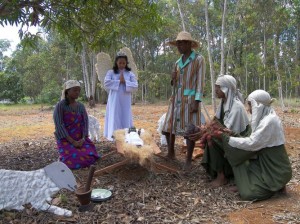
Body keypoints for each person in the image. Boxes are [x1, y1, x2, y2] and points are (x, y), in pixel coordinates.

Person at [220, 90, 292, 201]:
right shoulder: (265, 118)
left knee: (248, 194)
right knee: (243, 160)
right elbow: (254, 139)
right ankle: (272, 186)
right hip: (264, 164)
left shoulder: (269, 121)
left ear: (258, 105)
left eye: (250, 105)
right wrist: (233, 134)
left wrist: (227, 139)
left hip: (276, 171)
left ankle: (275, 186)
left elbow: (252, 143)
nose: (248, 110)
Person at [188, 75, 250, 186]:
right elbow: (215, 121)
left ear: (225, 89)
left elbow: (228, 131)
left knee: (210, 137)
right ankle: (217, 170)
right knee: (208, 134)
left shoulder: (237, 107)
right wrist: (202, 130)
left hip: (238, 141)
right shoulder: (224, 103)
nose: (215, 90)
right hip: (227, 136)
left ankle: (222, 176)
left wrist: (205, 132)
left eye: (218, 88)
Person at [161, 31, 206, 170]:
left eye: (182, 43)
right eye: (178, 43)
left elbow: (200, 82)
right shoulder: (177, 62)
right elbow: (174, 83)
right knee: (167, 128)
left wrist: (197, 101)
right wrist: (173, 78)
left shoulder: (198, 59)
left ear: (189, 44)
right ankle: (171, 153)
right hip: (176, 99)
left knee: (190, 130)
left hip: (190, 100)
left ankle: (188, 160)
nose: (179, 45)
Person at [53, 80, 100, 169]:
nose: (77, 92)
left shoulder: (81, 106)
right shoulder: (60, 106)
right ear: (67, 91)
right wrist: (73, 142)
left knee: (91, 155)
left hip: (80, 139)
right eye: (75, 90)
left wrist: (82, 139)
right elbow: (59, 126)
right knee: (73, 159)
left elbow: (85, 123)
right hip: (65, 139)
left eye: (78, 90)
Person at [103, 51, 138, 141]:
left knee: (125, 114)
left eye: (123, 63)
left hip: (125, 99)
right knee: (115, 114)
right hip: (114, 99)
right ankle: (114, 135)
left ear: (126, 63)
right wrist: (118, 82)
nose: (122, 65)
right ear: (116, 62)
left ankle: (127, 136)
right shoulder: (111, 72)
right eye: (120, 63)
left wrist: (125, 82)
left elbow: (135, 85)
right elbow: (106, 82)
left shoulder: (130, 73)